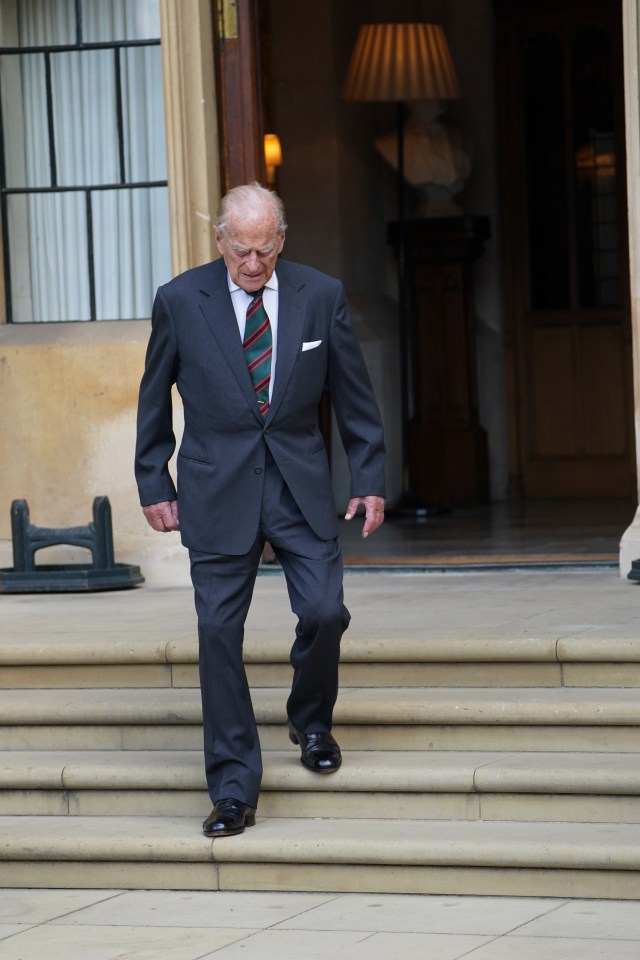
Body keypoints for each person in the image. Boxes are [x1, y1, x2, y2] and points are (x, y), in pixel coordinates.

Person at [135, 182, 385, 838]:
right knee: (219, 634)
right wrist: (152, 481)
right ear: (221, 242)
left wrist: (369, 478)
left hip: (299, 486)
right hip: (216, 489)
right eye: (241, 250)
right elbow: (153, 395)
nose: (253, 263)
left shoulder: (319, 295)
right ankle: (234, 788)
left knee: (326, 611)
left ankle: (311, 719)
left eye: (265, 249)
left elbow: (355, 397)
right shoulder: (180, 300)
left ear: (281, 240)